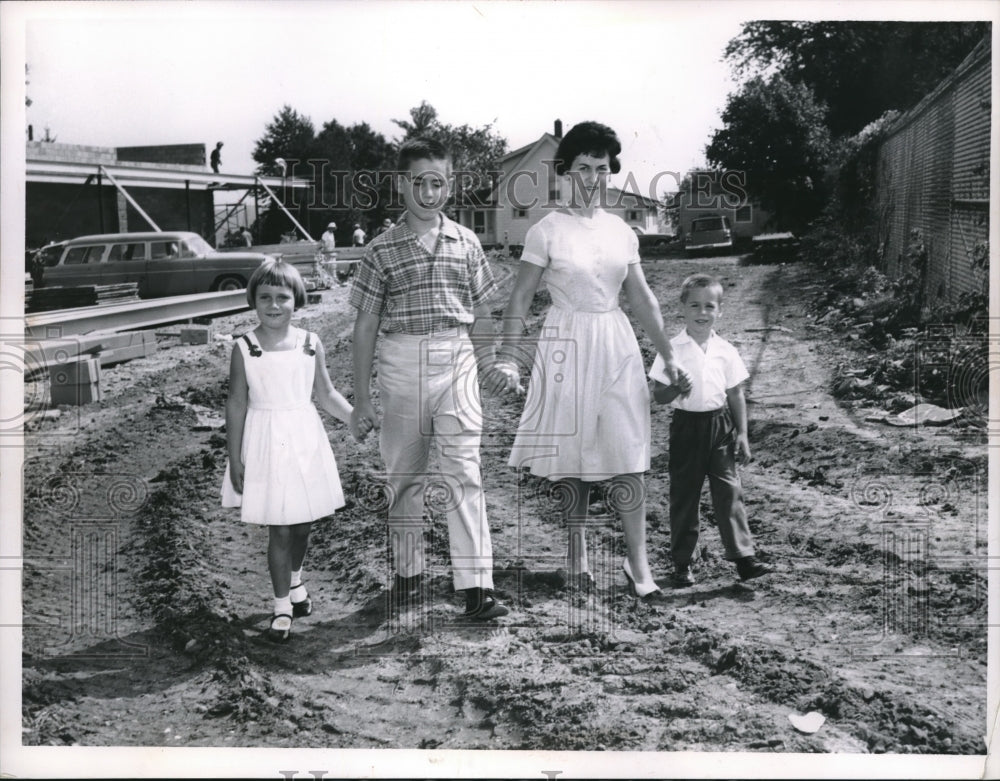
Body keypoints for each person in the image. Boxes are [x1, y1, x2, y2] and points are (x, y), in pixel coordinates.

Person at [490, 121, 689, 602]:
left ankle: (637, 561)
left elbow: (642, 301)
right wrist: (510, 359)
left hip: (615, 341)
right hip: (567, 341)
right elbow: (519, 300)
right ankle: (576, 554)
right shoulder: (547, 230)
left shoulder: (622, 231)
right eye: (582, 168)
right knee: (573, 454)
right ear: (564, 173)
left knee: (629, 450)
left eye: (602, 169)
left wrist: (669, 357)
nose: (592, 178)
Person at [349, 137, 509, 621]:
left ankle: (477, 587)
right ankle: (408, 575)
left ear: (449, 185)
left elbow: (482, 315)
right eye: (420, 182)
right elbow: (365, 327)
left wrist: (489, 363)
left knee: (464, 470)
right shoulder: (381, 250)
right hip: (401, 361)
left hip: (456, 356)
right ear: (403, 184)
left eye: (438, 182)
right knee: (405, 474)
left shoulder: (467, 241)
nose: (430, 192)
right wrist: (361, 399)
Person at [222, 259, 353, 643]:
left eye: (282, 297)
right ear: (253, 301)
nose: (274, 305)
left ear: (297, 300)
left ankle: (295, 581)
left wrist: (358, 418)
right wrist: (235, 458)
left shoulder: (311, 343)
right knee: (279, 527)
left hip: (305, 440)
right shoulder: (244, 347)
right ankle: (281, 605)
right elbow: (236, 404)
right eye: (265, 297)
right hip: (266, 441)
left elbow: (326, 395)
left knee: (302, 523)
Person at [648, 273, 773, 587]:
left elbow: (735, 393)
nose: (702, 313)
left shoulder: (725, 350)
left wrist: (742, 434)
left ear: (719, 310)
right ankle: (682, 563)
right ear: (683, 308)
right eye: (695, 306)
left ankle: (744, 559)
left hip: (720, 428)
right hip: (686, 429)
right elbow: (658, 396)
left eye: (709, 306)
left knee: (729, 491)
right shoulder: (671, 349)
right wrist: (676, 388)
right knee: (685, 496)